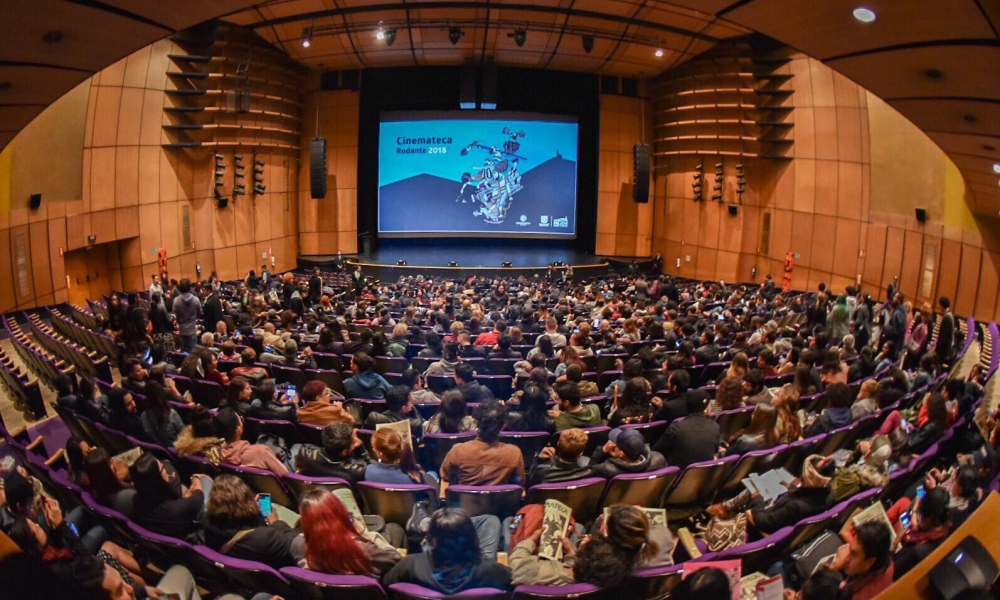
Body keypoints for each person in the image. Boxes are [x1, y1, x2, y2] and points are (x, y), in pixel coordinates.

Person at [382, 507, 511, 594]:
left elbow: (386, 583)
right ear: (472, 537)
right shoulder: (489, 569)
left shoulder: (410, 564)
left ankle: (421, 522)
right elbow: (511, 581)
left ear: (432, 539)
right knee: (491, 521)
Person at [708, 455, 834, 536]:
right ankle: (726, 507)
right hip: (783, 510)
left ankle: (725, 508)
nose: (802, 477)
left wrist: (757, 498)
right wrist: (792, 487)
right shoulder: (828, 493)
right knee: (773, 478)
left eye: (805, 477)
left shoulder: (796, 506)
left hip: (764, 526)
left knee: (756, 487)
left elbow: (765, 522)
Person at [292, 489, 400, 576]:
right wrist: (365, 534)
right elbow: (395, 558)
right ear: (339, 516)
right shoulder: (360, 549)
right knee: (396, 529)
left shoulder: (297, 544)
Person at [203, 475, 299, 569]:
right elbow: (297, 543)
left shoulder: (208, 525)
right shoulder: (265, 537)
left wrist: (255, 513)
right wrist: (275, 521)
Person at [439, 400, 524, 498]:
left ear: (477, 423)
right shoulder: (514, 453)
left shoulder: (457, 450)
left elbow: (445, 481)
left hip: (464, 510)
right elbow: (519, 485)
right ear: (503, 426)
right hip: (501, 510)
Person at [128, 452, 207, 540]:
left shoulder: (135, 500)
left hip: (163, 531)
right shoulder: (179, 508)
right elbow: (199, 496)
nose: (165, 469)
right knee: (205, 481)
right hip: (185, 534)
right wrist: (196, 478)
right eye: (162, 468)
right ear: (156, 478)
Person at [828, 519, 894, 600]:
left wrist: (833, 567)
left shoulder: (859, 597)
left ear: (870, 561)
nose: (846, 557)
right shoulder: (886, 562)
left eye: (854, 553)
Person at [653, 391, 720, 468]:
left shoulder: (675, 428)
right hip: (704, 476)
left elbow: (656, 451)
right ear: (705, 410)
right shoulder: (715, 427)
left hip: (677, 476)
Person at [216, 408, 289, 476]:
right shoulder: (262, 452)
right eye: (241, 419)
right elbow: (286, 475)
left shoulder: (218, 453)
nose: (242, 421)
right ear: (238, 430)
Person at [294, 422, 370, 485]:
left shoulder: (304, 454)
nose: (355, 443)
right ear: (344, 452)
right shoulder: (358, 470)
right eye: (353, 443)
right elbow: (371, 470)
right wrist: (361, 448)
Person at [365, 428, 432, 486]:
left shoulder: (369, 471)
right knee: (432, 473)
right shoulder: (415, 476)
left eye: (373, 447)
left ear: (380, 453)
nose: (373, 449)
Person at [590, 427, 666, 478]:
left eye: (615, 445)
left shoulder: (605, 469)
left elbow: (589, 474)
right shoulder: (659, 459)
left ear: (621, 453)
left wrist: (601, 451)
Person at [527, 428, 593, 487]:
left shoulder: (541, 472)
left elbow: (531, 484)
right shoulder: (588, 471)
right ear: (580, 454)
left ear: (558, 443)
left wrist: (538, 459)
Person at [140, 381, 185, 447]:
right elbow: (184, 434)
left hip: (163, 452)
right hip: (178, 448)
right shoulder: (171, 414)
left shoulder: (144, 416)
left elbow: (152, 437)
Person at [172, 279, 202, 352]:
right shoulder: (196, 299)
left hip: (182, 330)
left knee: (183, 354)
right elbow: (199, 314)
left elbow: (174, 316)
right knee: (193, 354)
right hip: (192, 330)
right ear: (190, 288)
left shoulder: (176, 300)